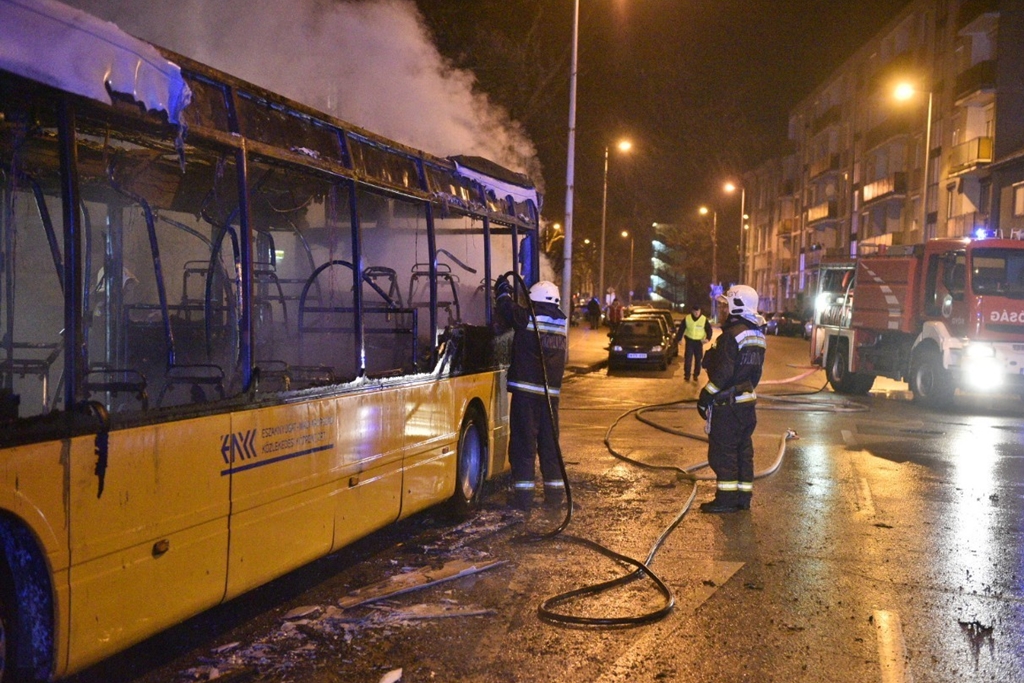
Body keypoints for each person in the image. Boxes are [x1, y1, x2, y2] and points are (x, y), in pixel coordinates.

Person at [495, 277, 568, 511]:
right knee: (549, 446)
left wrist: (502, 290)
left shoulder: (529, 318)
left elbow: (506, 309)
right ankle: (555, 496)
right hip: (550, 398)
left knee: (523, 446)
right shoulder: (561, 323)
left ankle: (524, 499)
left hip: (526, 395)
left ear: (534, 300)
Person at [696, 284, 766, 513]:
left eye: (726, 305)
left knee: (723, 453)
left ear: (737, 305)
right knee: (743, 452)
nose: (723, 310)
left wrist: (706, 395)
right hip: (747, 406)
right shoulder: (757, 335)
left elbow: (723, 373)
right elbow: (755, 375)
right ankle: (743, 499)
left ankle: (725, 500)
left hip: (727, 407)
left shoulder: (730, 337)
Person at [676, 304, 712, 381]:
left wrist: (708, 338)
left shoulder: (703, 319)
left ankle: (696, 375)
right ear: (692, 311)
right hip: (689, 341)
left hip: (699, 342)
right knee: (688, 359)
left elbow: (709, 330)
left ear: (700, 311)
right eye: (695, 311)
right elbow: (681, 329)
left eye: (698, 311)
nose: (696, 313)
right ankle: (687, 375)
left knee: (698, 359)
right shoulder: (687, 318)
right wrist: (679, 339)